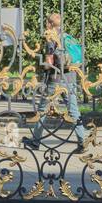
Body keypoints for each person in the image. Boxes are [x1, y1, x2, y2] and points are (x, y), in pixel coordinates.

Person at [25, 12, 85, 153]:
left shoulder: (51, 36)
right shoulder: (67, 37)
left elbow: (49, 62)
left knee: (42, 109)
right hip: (70, 77)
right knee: (73, 110)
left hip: (55, 79)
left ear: (50, 23)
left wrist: (41, 64)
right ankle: (83, 140)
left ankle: (35, 141)